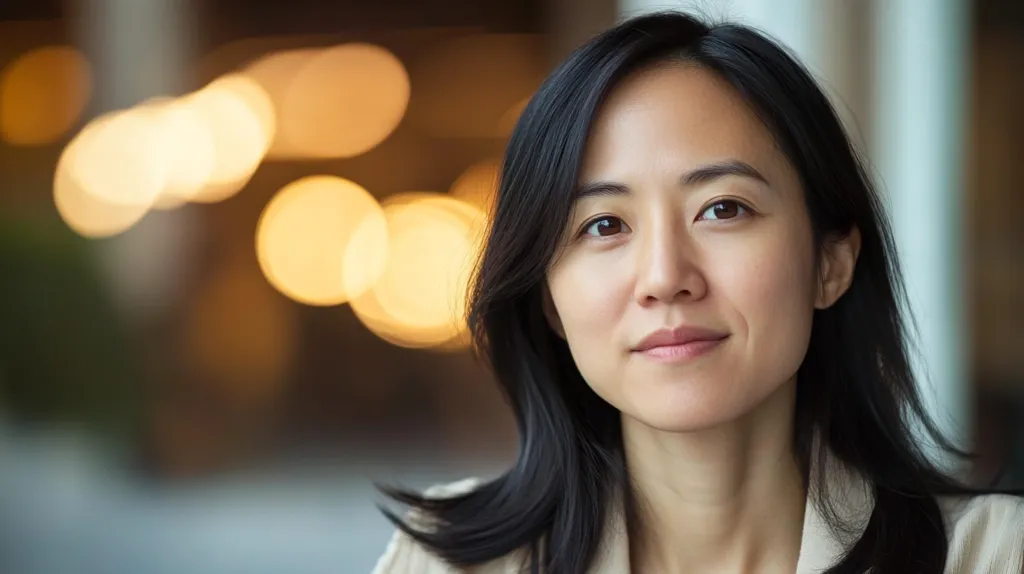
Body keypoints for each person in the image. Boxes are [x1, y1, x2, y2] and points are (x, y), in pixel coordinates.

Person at [372, 11, 1024, 574]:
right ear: (549, 300)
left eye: (723, 209)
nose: (664, 277)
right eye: (604, 225)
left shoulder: (993, 555)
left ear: (831, 261)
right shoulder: (452, 564)